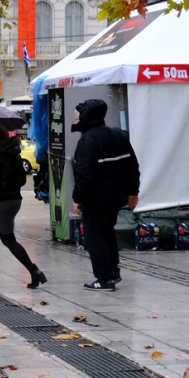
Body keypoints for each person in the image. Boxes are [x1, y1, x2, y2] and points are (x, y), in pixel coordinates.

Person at [71, 99, 140, 291]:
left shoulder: (88, 140)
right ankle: (113, 272)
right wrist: (133, 192)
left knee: (95, 238)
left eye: (78, 118)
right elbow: (133, 166)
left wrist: (77, 198)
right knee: (108, 233)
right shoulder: (119, 135)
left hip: (96, 199)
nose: (76, 121)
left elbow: (84, 175)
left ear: (86, 118)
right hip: (116, 197)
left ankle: (104, 278)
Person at [0, 125, 46, 289]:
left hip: (0, 202)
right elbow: (23, 180)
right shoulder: (14, 154)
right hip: (14, 200)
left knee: (8, 239)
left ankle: (35, 271)